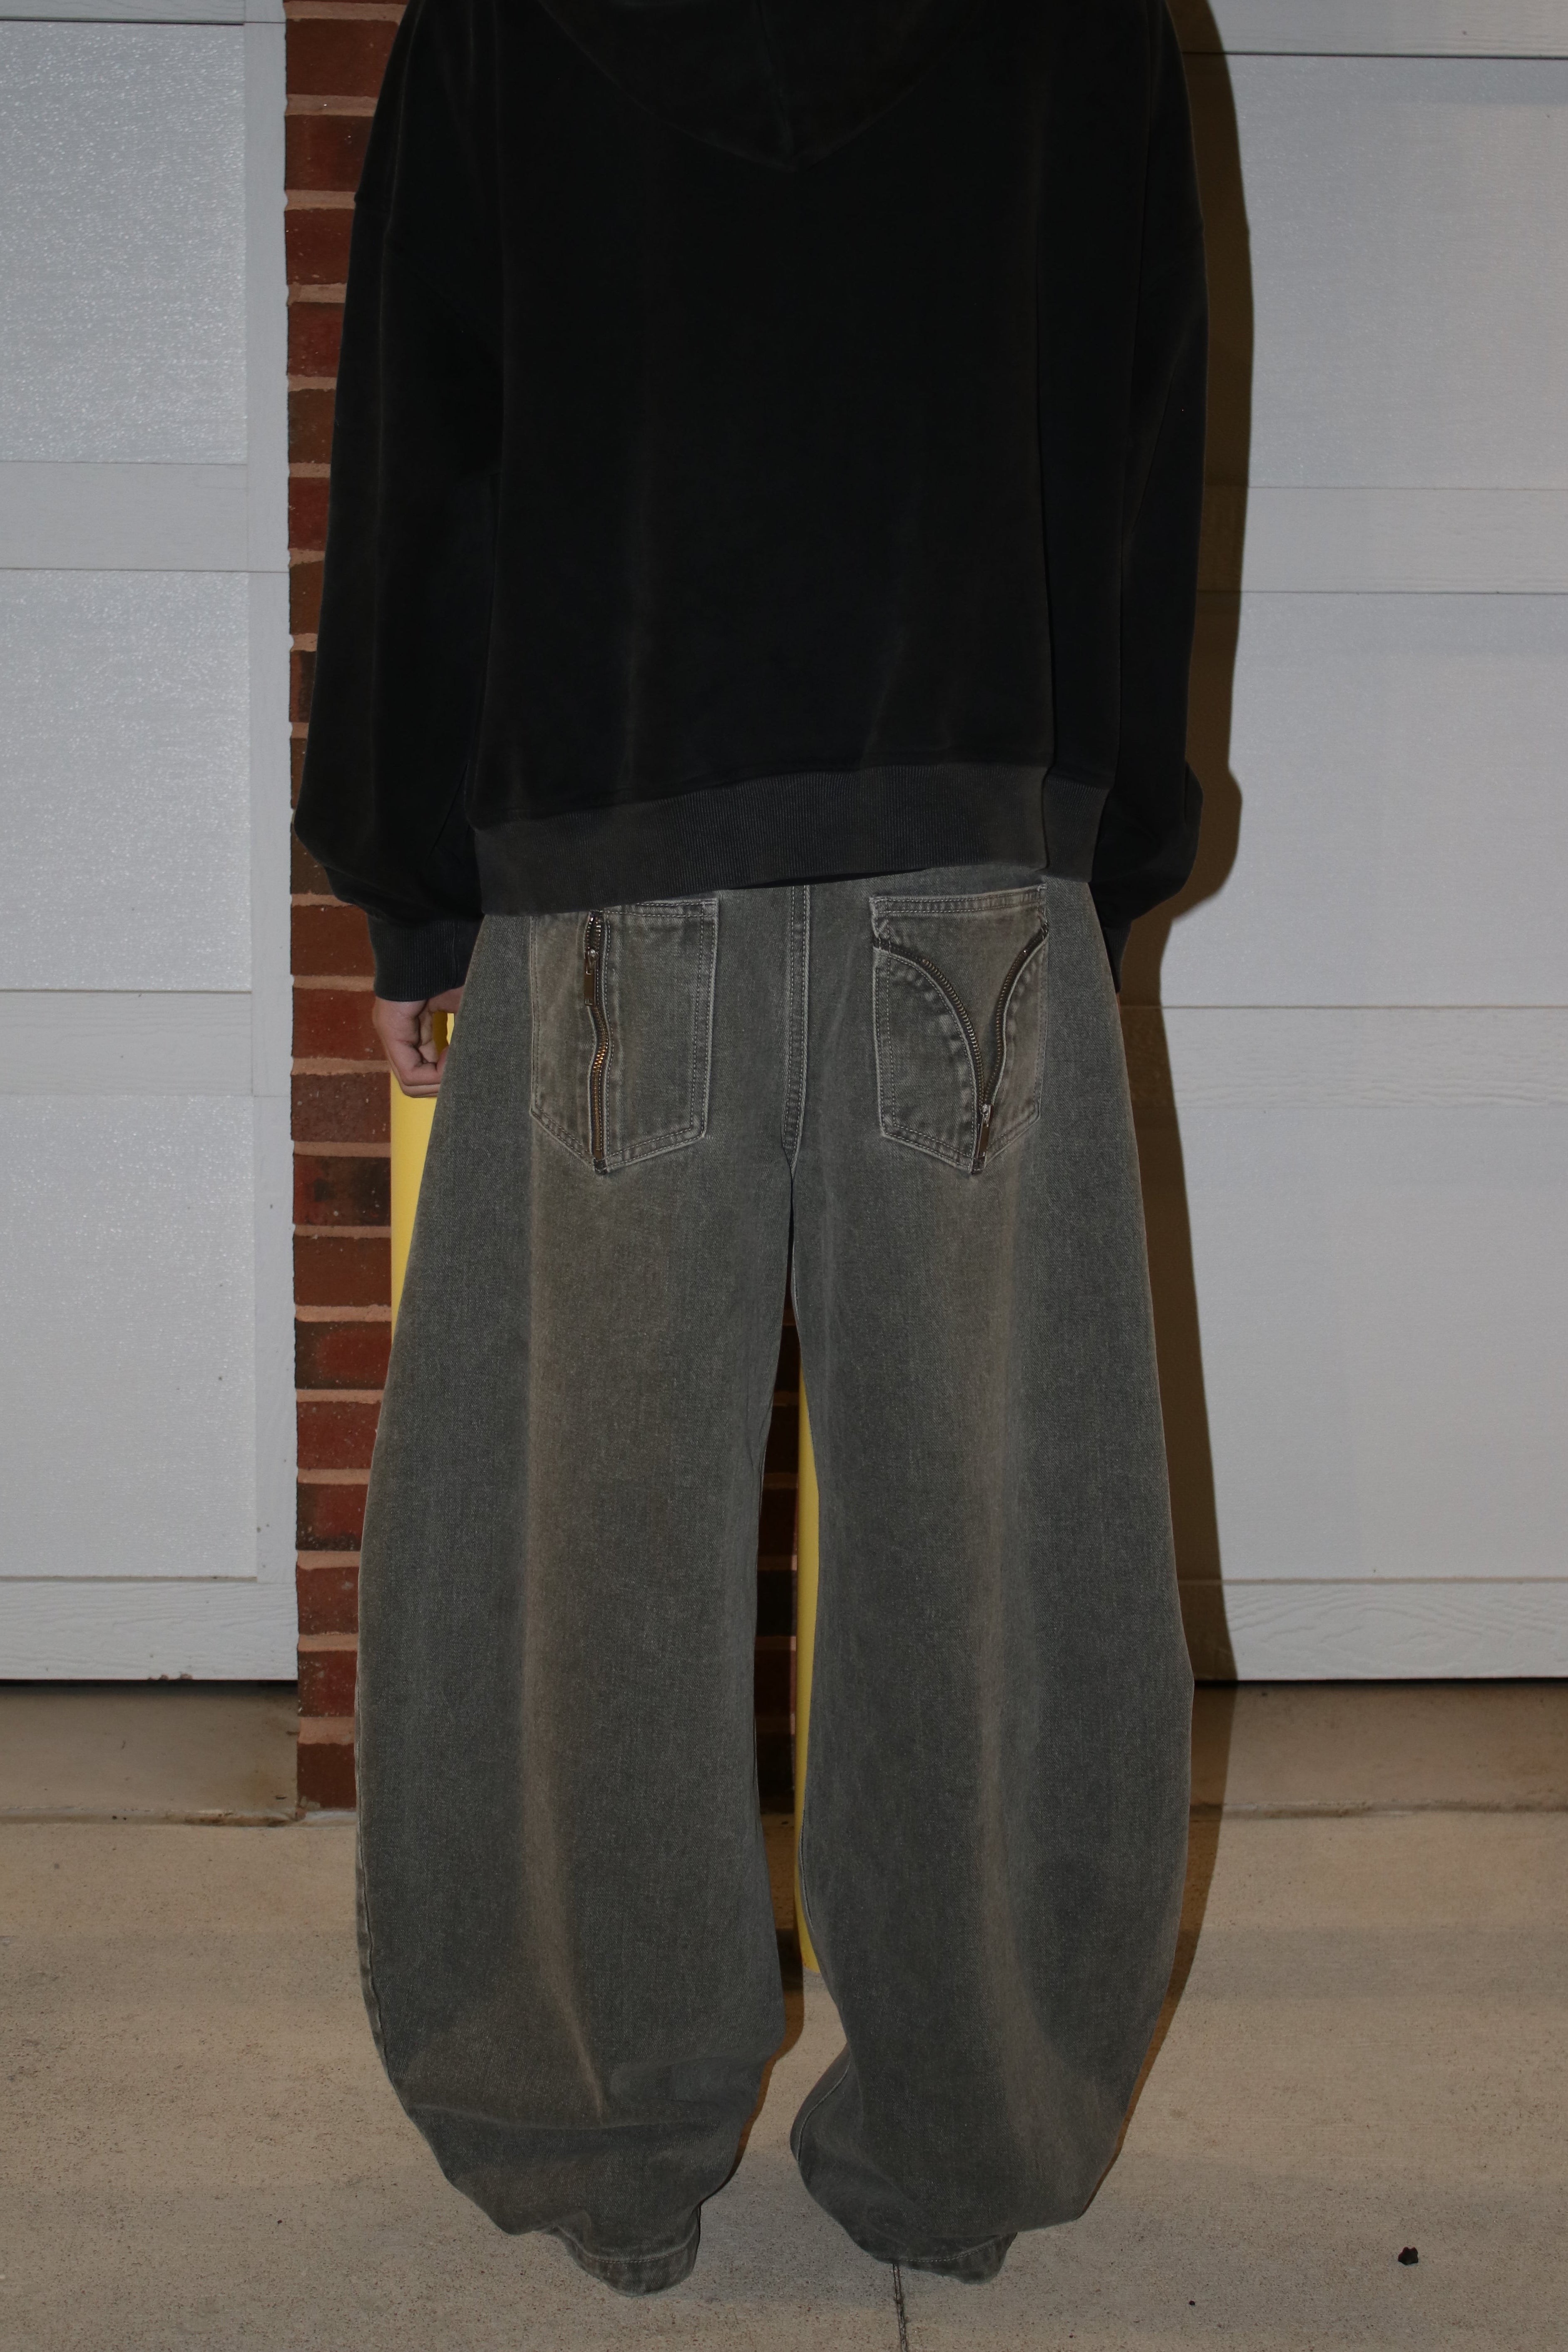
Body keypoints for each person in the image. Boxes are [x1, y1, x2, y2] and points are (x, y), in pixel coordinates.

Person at [295, 0, 1208, 2297]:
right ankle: (968, 2136)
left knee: (577, 1532)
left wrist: (410, 878)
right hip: (971, 837)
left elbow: (421, 452)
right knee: (993, 1530)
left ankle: (588, 2125)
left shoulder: (500, 25)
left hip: (613, 844)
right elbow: (1138, 439)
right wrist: (1100, 856)